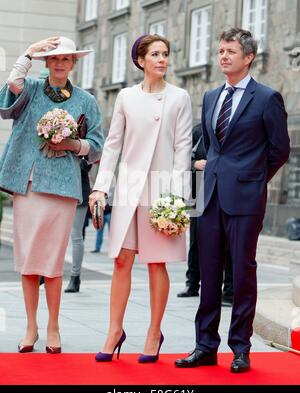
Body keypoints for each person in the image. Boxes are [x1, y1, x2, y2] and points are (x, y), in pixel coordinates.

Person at [175, 28, 290, 373]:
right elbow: (211, 147)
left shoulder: (268, 98)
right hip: (209, 195)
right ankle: (205, 346)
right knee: (208, 273)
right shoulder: (211, 97)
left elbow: (280, 150)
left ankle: (240, 348)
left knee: (242, 273)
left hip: (245, 197)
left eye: (230, 51)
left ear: (248, 57)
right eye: (220, 50)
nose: (223, 56)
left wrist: (253, 179)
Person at [89, 34, 192, 363]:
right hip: (130, 188)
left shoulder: (179, 97)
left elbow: (182, 149)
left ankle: (153, 332)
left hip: (162, 190)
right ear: (140, 60)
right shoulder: (126, 97)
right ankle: (114, 330)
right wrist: (101, 187)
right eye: (155, 54)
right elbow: (112, 145)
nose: (162, 59)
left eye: (165, 54)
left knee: (156, 262)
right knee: (122, 260)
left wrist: (176, 199)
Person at [0, 36, 103, 353]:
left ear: (73, 64)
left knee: (53, 262)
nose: (60, 64)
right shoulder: (30, 88)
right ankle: (31, 327)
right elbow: (10, 86)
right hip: (29, 185)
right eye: (55, 59)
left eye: (66, 59)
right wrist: (28, 53)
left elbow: (97, 145)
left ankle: (54, 326)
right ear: (48, 63)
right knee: (29, 260)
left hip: (62, 188)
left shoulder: (86, 101)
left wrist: (71, 144)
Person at [177, 124, 234, 305]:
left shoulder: (233, 126)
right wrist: (194, 164)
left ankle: (229, 290)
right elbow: (180, 157)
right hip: (199, 191)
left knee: (229, 243)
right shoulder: (198, 130)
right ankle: (192, 284)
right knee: (195, 240)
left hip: (226, 190)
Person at [65, 158, 92, 293]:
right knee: (54, 235)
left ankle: (75, 277)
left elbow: (88, 163)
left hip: (79, 191)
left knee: (76, 235)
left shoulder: (84, 137)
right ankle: (46, 274)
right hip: (59, 190)